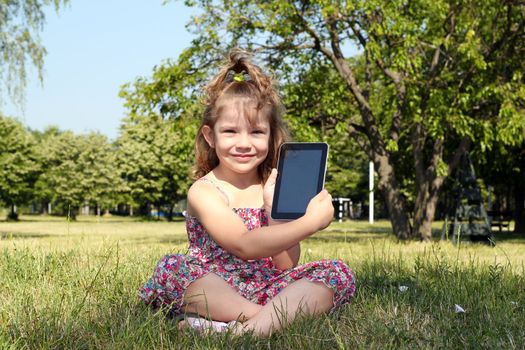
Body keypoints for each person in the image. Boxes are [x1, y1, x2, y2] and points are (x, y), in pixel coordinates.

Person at [139, 49, 356, 337]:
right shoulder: (204, 191)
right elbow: (244, 245)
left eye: (256, 132)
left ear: (271, 136)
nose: (244, 143)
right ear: (209, 136)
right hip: (216, 287)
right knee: (174, 267)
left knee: (337, 272)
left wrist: (272, 212)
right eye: (230, 131)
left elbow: (285, 265)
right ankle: (269, 319)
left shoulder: (270, 186)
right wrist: (309, 223)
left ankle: (237, 331)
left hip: (266, 287)